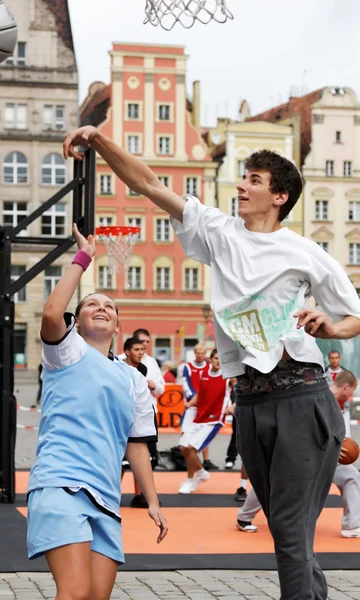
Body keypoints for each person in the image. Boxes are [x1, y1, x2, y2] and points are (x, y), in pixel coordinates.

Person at [64, 127, 360, 600]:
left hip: (302, 395)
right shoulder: (219, 231)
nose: (241, 185)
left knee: (286, 528)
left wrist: (329, 323)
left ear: (279, 196)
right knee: (292, 532)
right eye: (242, 177)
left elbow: (354, 318)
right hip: (249, 402)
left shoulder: (306, 252)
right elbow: (149, 183)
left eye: (254, 179)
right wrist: (98, 140)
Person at [27, 224, 168, 600]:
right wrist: (82, 258)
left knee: (95, 598)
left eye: (109, 306)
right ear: (78, 319)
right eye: (92, 303)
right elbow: (52, 312)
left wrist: (152, 500)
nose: (101, 307)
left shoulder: (134, 378)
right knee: (73, 592)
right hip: (61, 482)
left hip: (106, 494)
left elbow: (136, 445)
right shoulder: (66, 352)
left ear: (118, 325)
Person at [236, 370, 360, 538]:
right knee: (274, 480)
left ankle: (352, 525)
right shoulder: (320, 399)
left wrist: (337, 445)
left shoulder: (338, 404)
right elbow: (303, 428)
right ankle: (244, 516)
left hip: (328, 455)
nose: (352, 395)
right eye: (353, 390)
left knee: (351, 475)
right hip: (304, 454)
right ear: (346, 387)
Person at [179, 349, 229, 494]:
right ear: (211, 360)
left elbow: (241, 390)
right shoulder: (203, 374)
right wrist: (190, 404)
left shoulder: (227, 376)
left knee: (192, 449)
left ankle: (189, 481)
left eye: (221, 359)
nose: (218, 361)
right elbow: (200, 394)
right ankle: (201, 472)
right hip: (199, 417)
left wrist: (232, 407)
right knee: (183, 447)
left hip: (214, 420)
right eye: (215, 358)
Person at [122, 336, 158, 509]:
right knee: (120, 462)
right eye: (137, 350)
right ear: (127, 352)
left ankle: (140, 496)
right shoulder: (118, 366)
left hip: (140, 415)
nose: (140, 353)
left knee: (143, 456)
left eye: (142, 350)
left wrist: (154, 385)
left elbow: (159, 389)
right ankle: (112, 492)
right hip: (122, 416)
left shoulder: (143, 368)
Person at [181, 344, 218, 470]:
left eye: (202, 353)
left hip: (205, 406)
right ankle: (187, 459)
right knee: (185, 431)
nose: (200, 355)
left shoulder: (209, 367)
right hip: (192, 404)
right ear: (195, 353)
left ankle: (205, 460)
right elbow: (185, 383)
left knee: (203, 431)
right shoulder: (188, 367)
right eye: (198, 353)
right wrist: (193, 398)